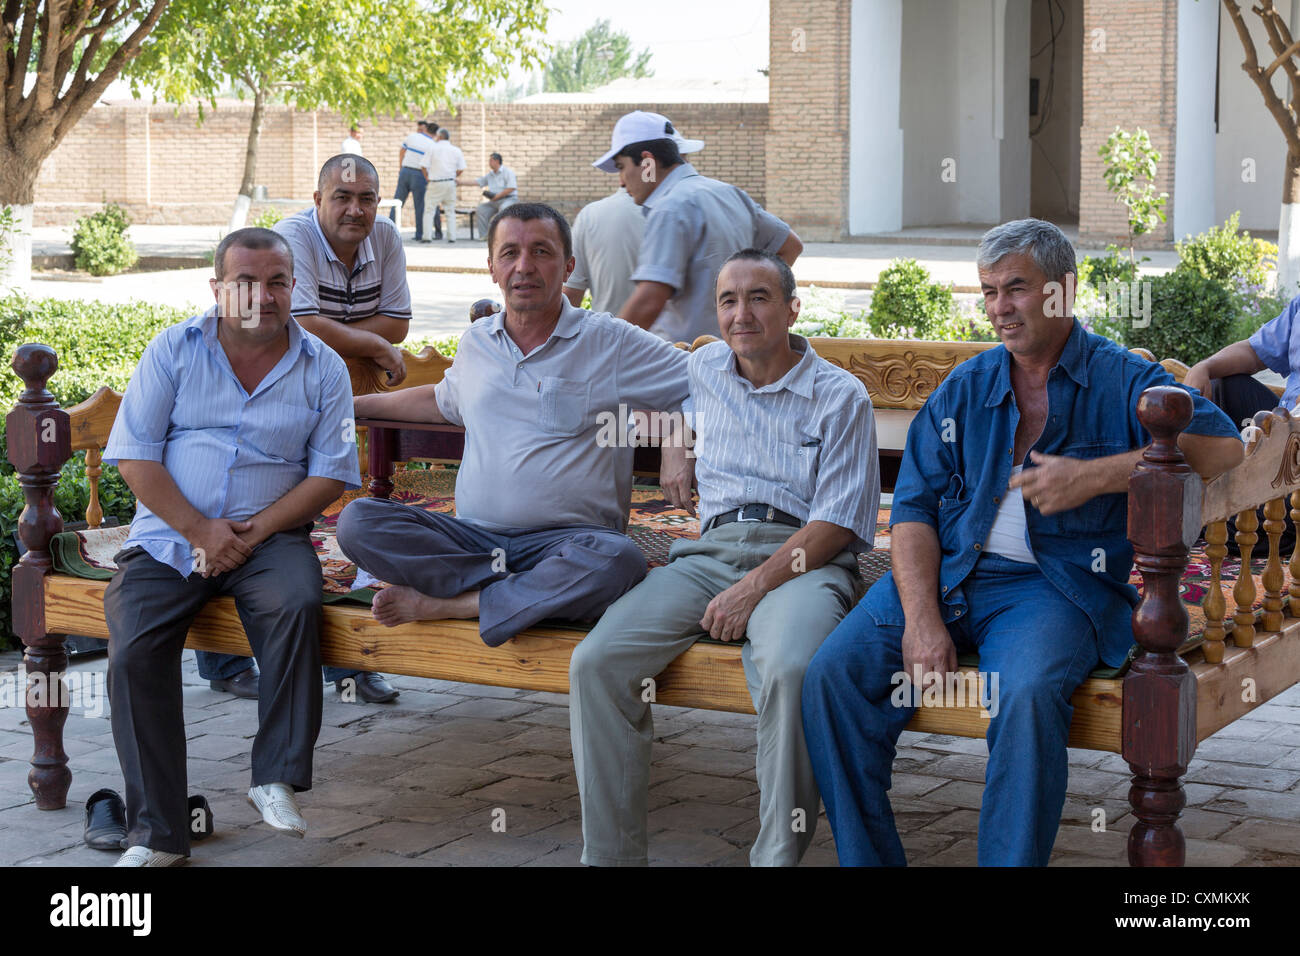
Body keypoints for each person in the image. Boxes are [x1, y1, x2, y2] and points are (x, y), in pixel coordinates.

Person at [800, 218, 1245, 867]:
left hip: (1052, 587)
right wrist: (921, 618)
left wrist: (1095, 474)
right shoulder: (970, 384)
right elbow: (916, 506)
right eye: (988, 292)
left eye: (1015, 288)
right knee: (830, 678)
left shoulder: (1123, 378)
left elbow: (1224, 447)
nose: (999, 308)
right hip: (948, 573)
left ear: (1063, 290)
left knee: (1028, 692)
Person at [568, 249, 880, 867]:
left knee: (792, 669)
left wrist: (754, 588)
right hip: (708, 553)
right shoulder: (706, 367)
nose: (742, 314)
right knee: (596, 661)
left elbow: (838, 524)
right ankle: (610, 858)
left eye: (760, 297)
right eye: (729, 300)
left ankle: (773, 857)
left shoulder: (840, 396)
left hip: (803, 561)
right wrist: (680, 441)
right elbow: (672, 401)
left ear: (793, 308)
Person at [102, 228, 361, 866]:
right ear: (218, 288)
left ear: (293, 288)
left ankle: (273, 777)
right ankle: (160, 836)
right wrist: (200, 530)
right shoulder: (174, 350)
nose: (262, 295)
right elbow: (134, 457)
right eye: (245, 281)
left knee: (296, 604)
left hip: (269, 536)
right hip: (170, 537)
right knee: (133, 649)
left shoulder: (321, 364)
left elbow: (330, 472)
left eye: (277, 281)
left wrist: (259, 528)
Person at [334, 202, 691, 649]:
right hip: (474, 541)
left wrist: (679, 432)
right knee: (359, 521)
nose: (525, 267)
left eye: (541, 252)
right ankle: (528, 590)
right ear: (492, 268)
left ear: (568, 267)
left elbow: (708, 380)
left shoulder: (610, 340)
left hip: (570, 542)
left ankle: (462, 602)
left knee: (618, 559)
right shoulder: (478, 342)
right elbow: (443, 401)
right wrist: (348, 405)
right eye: (510, 253)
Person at [194, 155, 408, 705]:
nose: (355, 209)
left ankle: (350, 664)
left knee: (331, 501)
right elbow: (295, 320)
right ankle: (224, 660)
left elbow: (398, 320)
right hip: (256, 365)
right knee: (235, 479)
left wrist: (341, 338)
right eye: (341, 197)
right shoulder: (291, 238)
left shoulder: (384, 236)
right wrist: (372, 342)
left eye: (366, 199)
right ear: (318, 200)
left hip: (325, 378)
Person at [594, 110, 803, 344]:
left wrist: (605, 350)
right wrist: (754, 300)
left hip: (686, 364)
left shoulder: (669, 209)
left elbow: (649, 300)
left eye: (622, 167)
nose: (621, 181)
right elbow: (791, 246)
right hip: (739, 357)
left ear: (647, 162)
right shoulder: (729, 194)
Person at [563, 186, 644, 316]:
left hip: (609, 332)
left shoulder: (590, 215)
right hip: (671, 335)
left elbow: (571, 295)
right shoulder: (680, 206)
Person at [423, 128, 467, 243]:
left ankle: (427, 237)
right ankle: (452, 237)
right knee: (450, 211)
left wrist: (427, 177)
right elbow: (461, 168)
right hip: (450, 183)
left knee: (429, 210)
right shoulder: (456, 150)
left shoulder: (432, 148)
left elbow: (423, 165)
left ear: (440, 136)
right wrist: (454, 175)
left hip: (435, 183)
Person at [393, 120, 434, 241]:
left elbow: (401, 151)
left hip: (405, 172)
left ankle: (389, 232)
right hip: (419, 174)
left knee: (397, 202)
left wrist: (401, 167)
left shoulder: (412, 137)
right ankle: (419, 235)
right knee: (419, 205)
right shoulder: (432, 144)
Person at [474, 152, 519, 237]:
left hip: (509, 199)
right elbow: (478, 182)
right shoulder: (490, 175)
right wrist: (460, 182)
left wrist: (497, 196)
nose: (489, 163)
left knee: (503, 208)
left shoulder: (508, 172)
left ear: (497, 161)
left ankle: (503, 236)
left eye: (491, 160)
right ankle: (484, 236)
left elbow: (512, 188)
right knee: (481, 208)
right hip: (495, 201)